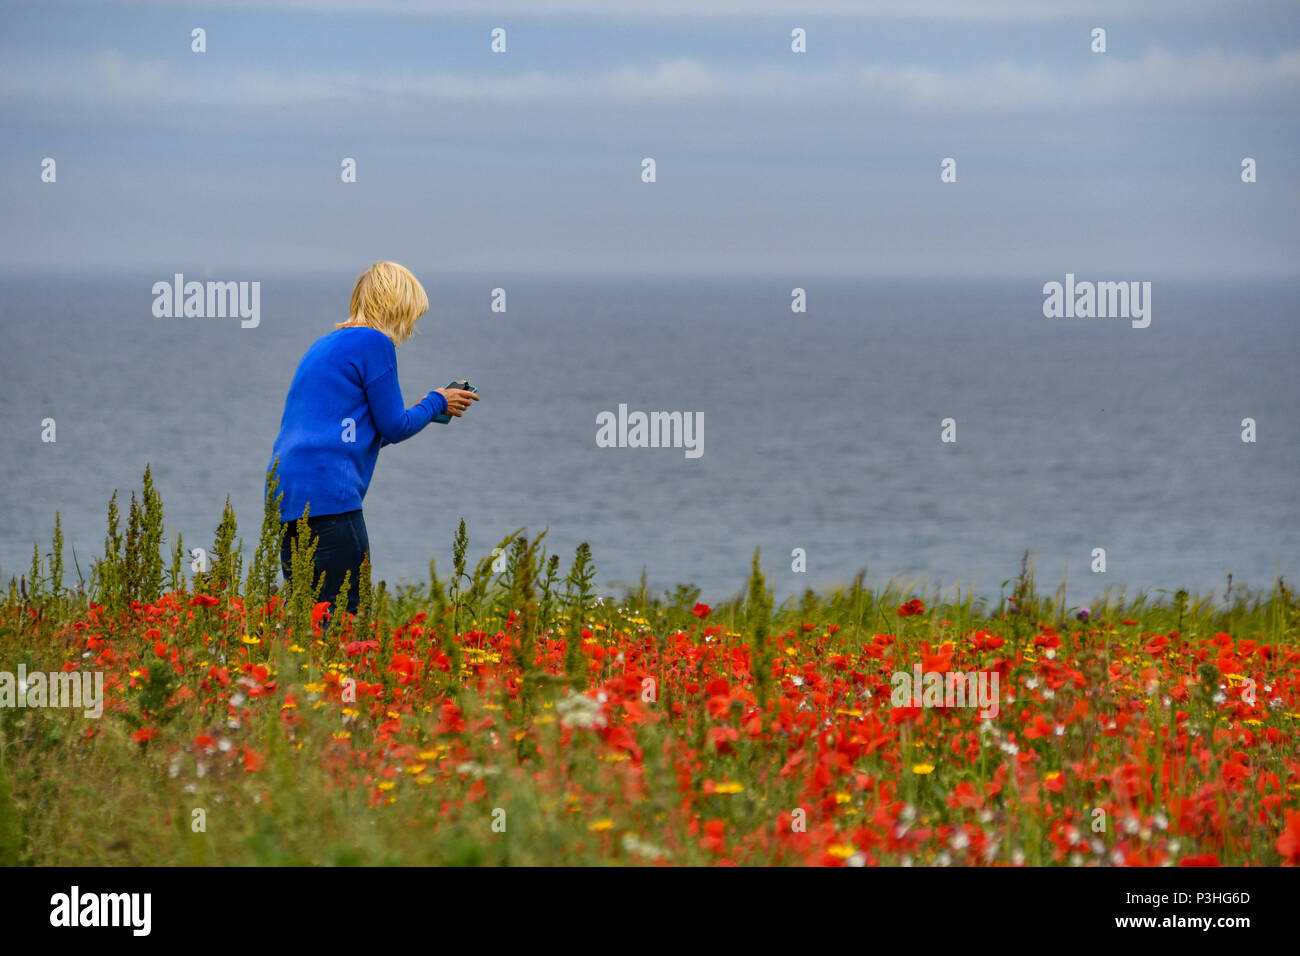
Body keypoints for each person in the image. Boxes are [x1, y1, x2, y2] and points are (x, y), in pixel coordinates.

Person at [266, 261, 478, 622]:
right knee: (345, 617)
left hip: (288, 498)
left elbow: (359, 433)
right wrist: (438, 400)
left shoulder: (325, 345)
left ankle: (291, 678)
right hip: (333, 501)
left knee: (304, 617)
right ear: (397, 306)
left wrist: (426, 410)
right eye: (412, 315)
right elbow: (394, 427)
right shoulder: (374, 342)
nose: (411, 327)